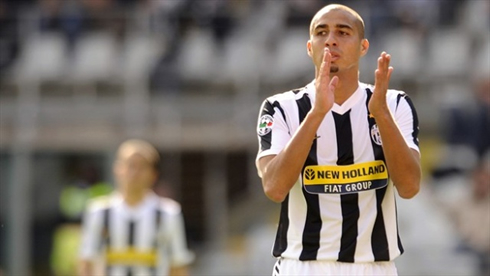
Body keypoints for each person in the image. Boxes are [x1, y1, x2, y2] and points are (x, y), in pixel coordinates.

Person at [255, 4, 421, 276]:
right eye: (322, 32)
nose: (331, 39)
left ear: (363, 46)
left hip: (374, 267)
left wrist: (380, 115)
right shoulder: (280, 107)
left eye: (343, 32)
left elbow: (410, 186)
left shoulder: (393, 103)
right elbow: (274, 188)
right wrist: (317, 112)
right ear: (310, 47)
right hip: (303, 266)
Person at [79, 139, 194, 276]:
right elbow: (86, 261)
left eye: (142, 167)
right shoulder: (99, 211)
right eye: (130, 165)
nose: (135, 172)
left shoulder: (169, 213)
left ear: (154, 174)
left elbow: (178, 264)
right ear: (117, 169)